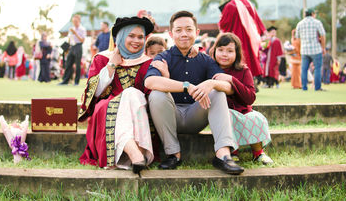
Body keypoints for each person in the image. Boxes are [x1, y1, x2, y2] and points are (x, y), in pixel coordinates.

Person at [144, 10, 244, 175]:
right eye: (178, 30)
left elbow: (230, 87)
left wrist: (212, 83)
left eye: (189, 29)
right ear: (171, 34)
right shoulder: (163, 57)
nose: (184, 34)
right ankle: (173, 154)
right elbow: (150, 82)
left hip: (196, 115)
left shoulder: (206, 60)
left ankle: (223, 154)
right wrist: (187, 86)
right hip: (171, 116)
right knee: (156, 94)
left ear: (196, 32)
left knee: (218, 91)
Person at [78, 16, 155, 174]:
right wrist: (111, 65)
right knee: (124, 97)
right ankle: (137, 153)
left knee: (132, 94)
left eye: (141, 37)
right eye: (131, 36)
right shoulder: (102, 58)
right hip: (107, 108)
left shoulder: (148, 62)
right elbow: (93, 94)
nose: (137, 41)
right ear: (120, 37)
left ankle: (135, 153)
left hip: (138, 111)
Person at [209, 32, 273, 164]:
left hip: (243, 110)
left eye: (230, 51)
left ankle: (258, 153)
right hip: (221, 111)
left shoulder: (243, 70)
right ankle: (233, 151)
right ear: (214, 50)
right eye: (220, 50)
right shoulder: (210, 69)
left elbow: (250, 98)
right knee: (228, 116)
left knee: (255, 118)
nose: (224, 54)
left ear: (237, 53)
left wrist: (232, 80)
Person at [218, 0, 266, 78]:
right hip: (251, 39)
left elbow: (224, 24)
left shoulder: (231, 5)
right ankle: (251, 82)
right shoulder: (250, 4)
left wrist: (220, 20)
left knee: (238, 59)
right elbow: (258, 22)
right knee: (250, 59)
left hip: (236, 38)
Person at [295, 9, 326, 91]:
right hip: (316, 49)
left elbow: (297, 38)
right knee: (317, 68)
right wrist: (323, 47)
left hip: (304, 50)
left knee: (304, 69)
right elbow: (322, 35)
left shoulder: (300, 23)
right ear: (312, 14)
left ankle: (304, 87)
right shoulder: (317, 22)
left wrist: (301, 47)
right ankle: (317, 87)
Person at [59, 14, 86, 85]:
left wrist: (75, 33)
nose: (74, 22)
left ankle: (76, 82)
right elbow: (69, 38)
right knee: (68, 64)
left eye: (76, 21)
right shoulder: (71, 28)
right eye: (73, 21)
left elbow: (82, 40)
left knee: (77, 65)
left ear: (79, 21)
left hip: (78, 46)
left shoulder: (82, 29)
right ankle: (65, 81)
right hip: (72, 47)